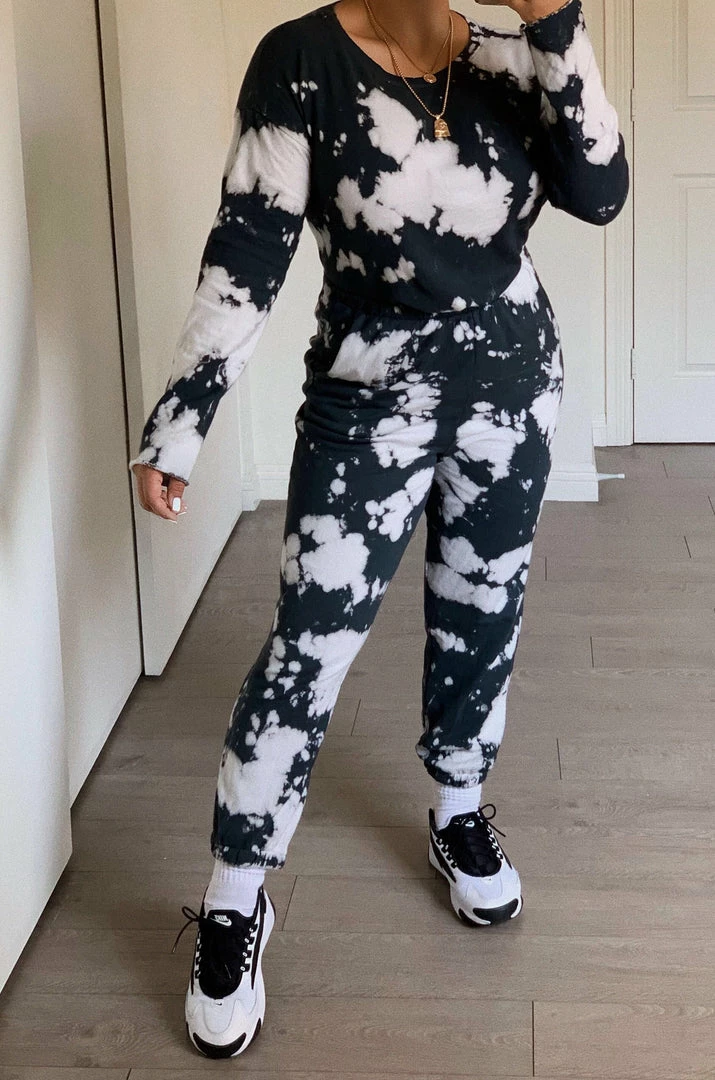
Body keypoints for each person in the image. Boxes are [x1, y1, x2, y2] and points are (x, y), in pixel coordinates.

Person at [129, 0, 629, 1059]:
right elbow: (249, 248)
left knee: (482, 612)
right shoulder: (299, 62)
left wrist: (555, 25)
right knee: (306, 648)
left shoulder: (510, 58)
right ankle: (235, 896)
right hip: (367, 408)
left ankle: (457, 807)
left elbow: (599, 190)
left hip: (511, 391)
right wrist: (182, 417)